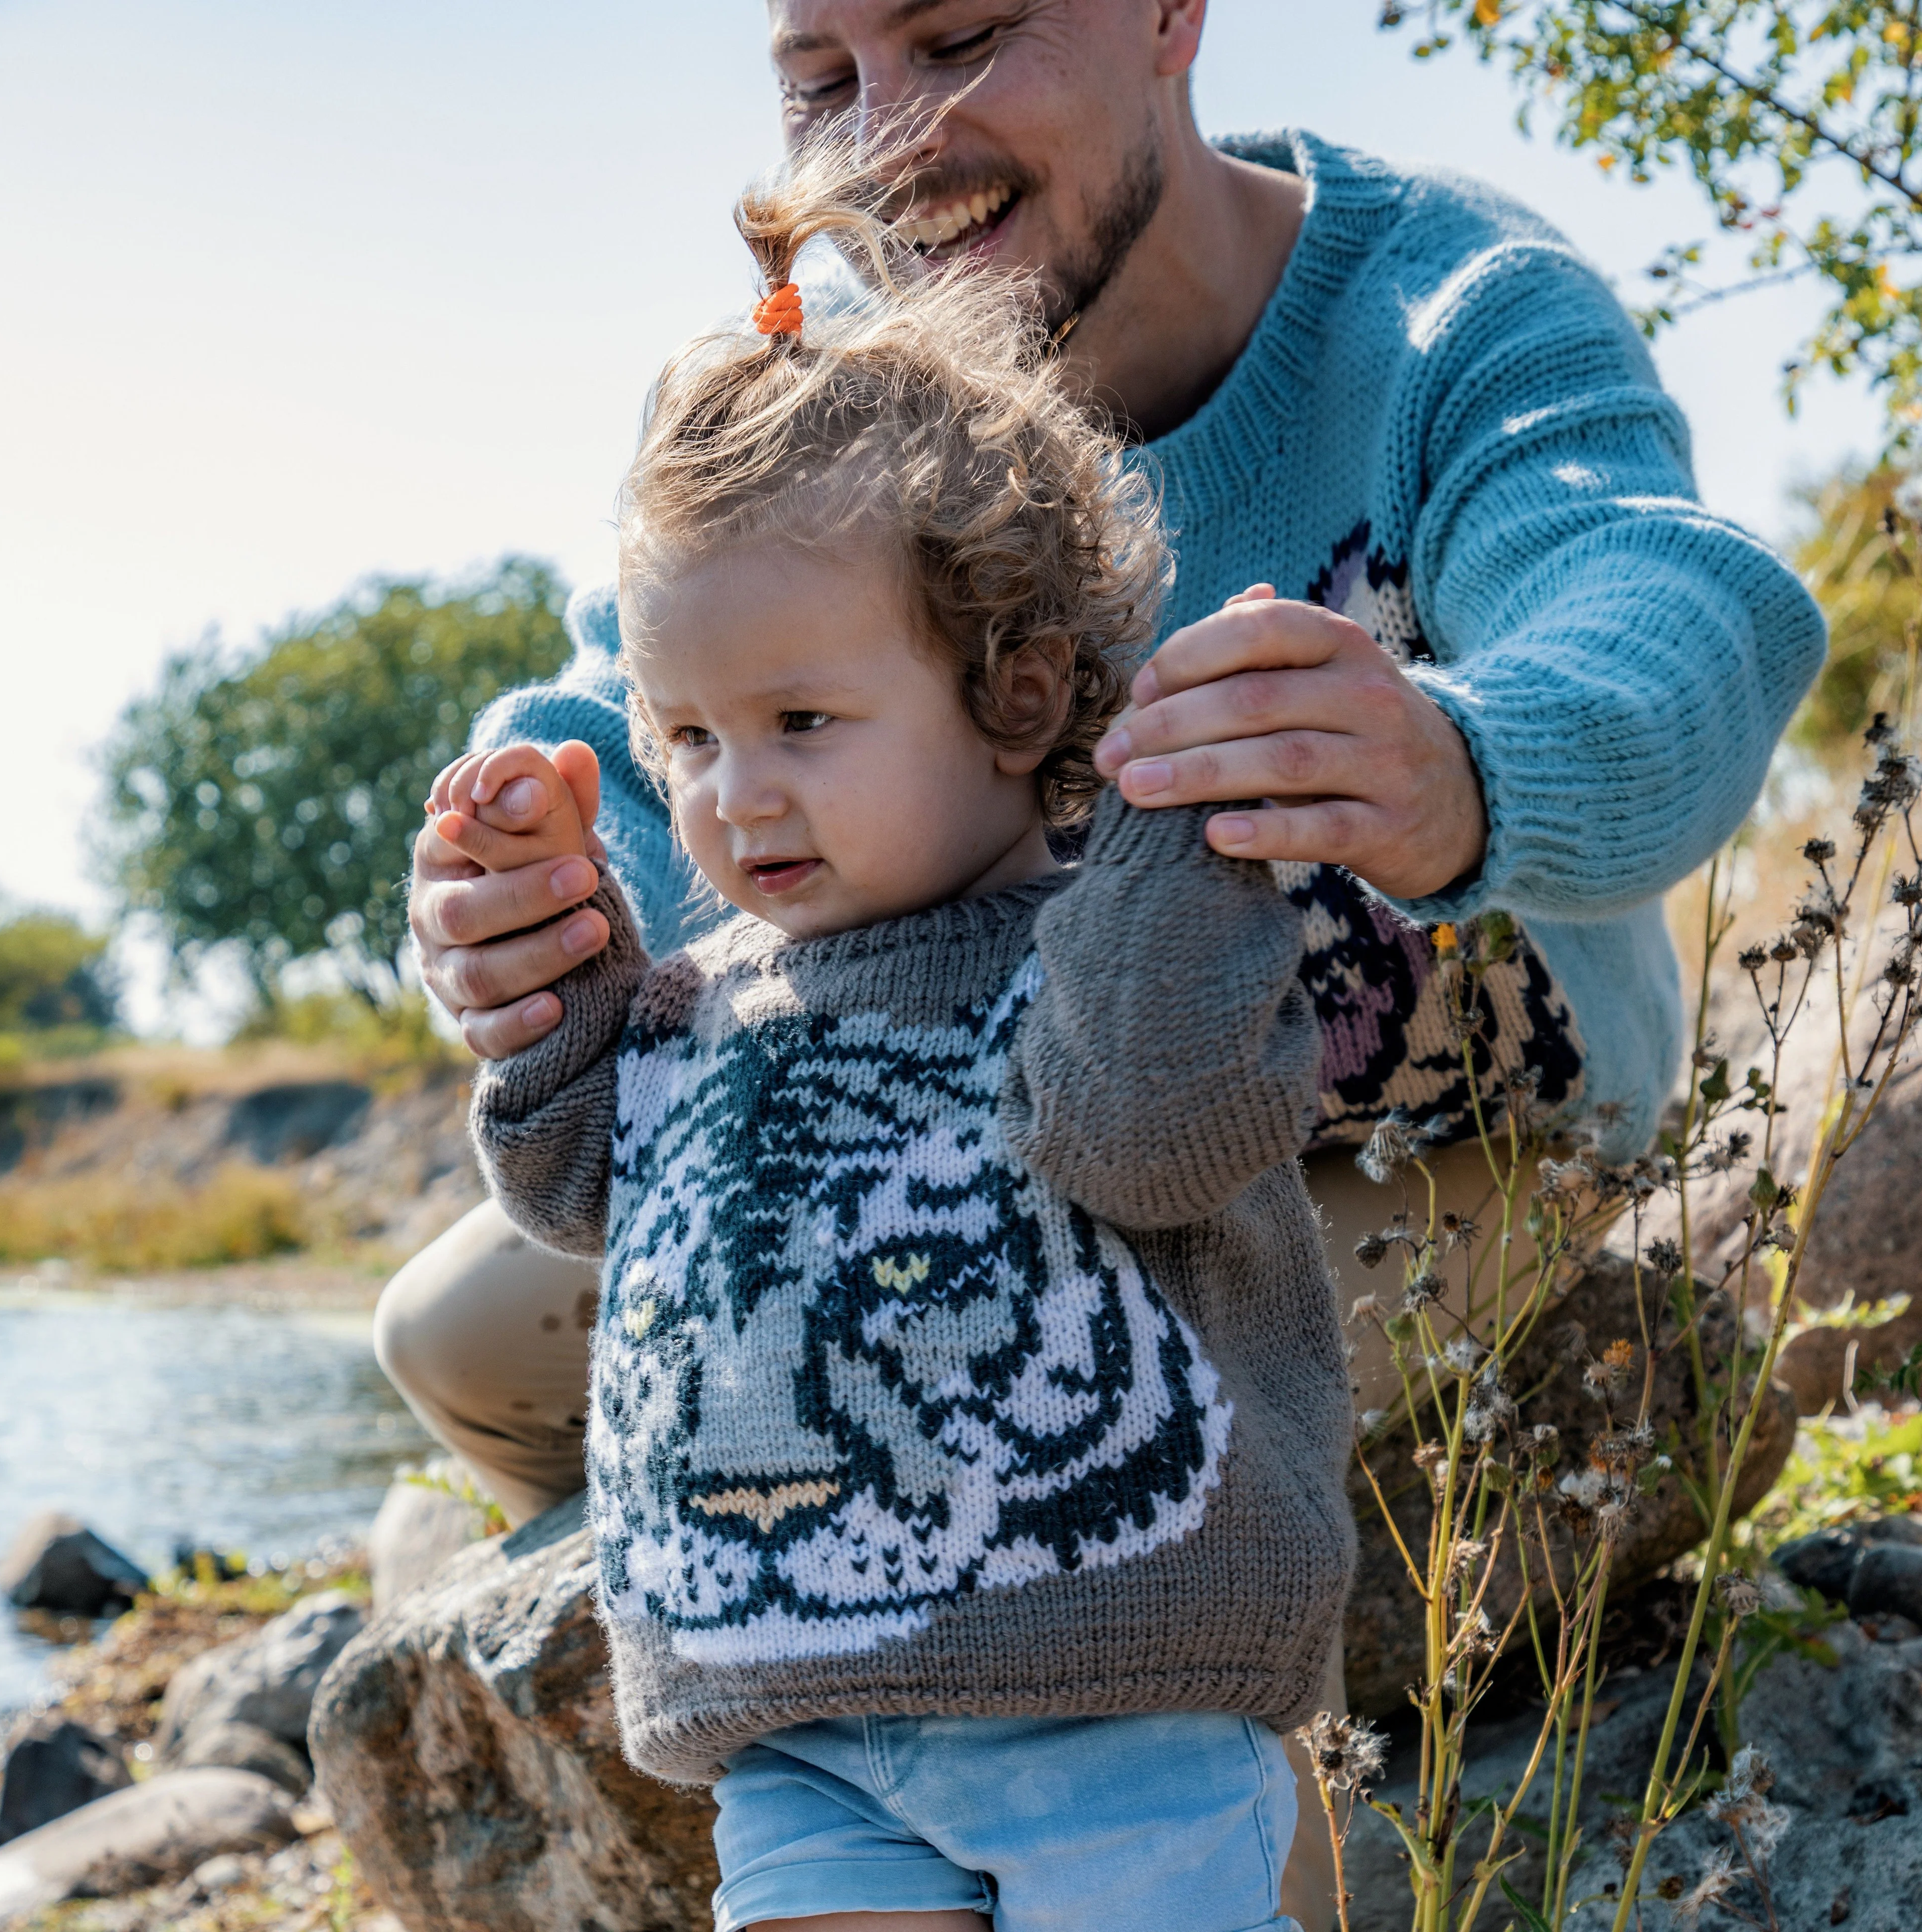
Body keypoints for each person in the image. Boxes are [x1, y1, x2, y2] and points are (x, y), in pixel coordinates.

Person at [388, 4, 1828, 1923]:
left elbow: (1671, 606)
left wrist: (1461, 757)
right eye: (820, 76)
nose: (887, 137)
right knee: (458, 1330)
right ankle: (817, 1723)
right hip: (938, 1096)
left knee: (1093, 1486)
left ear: (1171, 14)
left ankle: (1214, 1812)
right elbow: (625, 720)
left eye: (963, 32)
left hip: (1412, 1137)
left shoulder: (1442, 311)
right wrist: (514, 896)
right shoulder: (835, 402)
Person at [436, 147, 1350, 1932]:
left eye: (798, 720)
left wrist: (1178, 812)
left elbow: (1148, 1130)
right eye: (686, 736)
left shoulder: (1093, 948)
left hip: (1121, 1714)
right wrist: (556, 948)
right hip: (802, 1746)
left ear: (1019, 692)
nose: (731, 795)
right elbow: (571, 1184)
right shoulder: (713, 995)